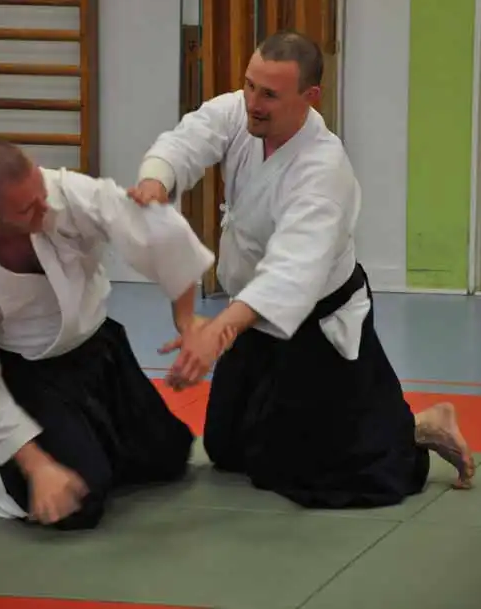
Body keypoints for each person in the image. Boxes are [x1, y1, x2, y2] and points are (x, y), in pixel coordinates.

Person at [129, 29, 475, 509]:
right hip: (251, 319)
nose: (253, 101)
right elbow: (188, 140)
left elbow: (291, 272)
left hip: (314, 322)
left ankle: (418, 427)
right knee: (228, 449)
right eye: (250, 85)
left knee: (326, 472)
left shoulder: (323, 169)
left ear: (310, 97)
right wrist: (156, 181)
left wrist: (217, 332)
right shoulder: (240, 112)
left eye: (269, 93)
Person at [0, 138, 232, 530]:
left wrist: (187, 321)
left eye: (40, 192)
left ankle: (84, 444)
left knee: (167, 457)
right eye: (26, 208)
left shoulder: (64, 193)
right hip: (26, 372)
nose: (44, 207)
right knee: (79, 503)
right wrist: (37, 466)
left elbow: (160, 231)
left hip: (98, 350)